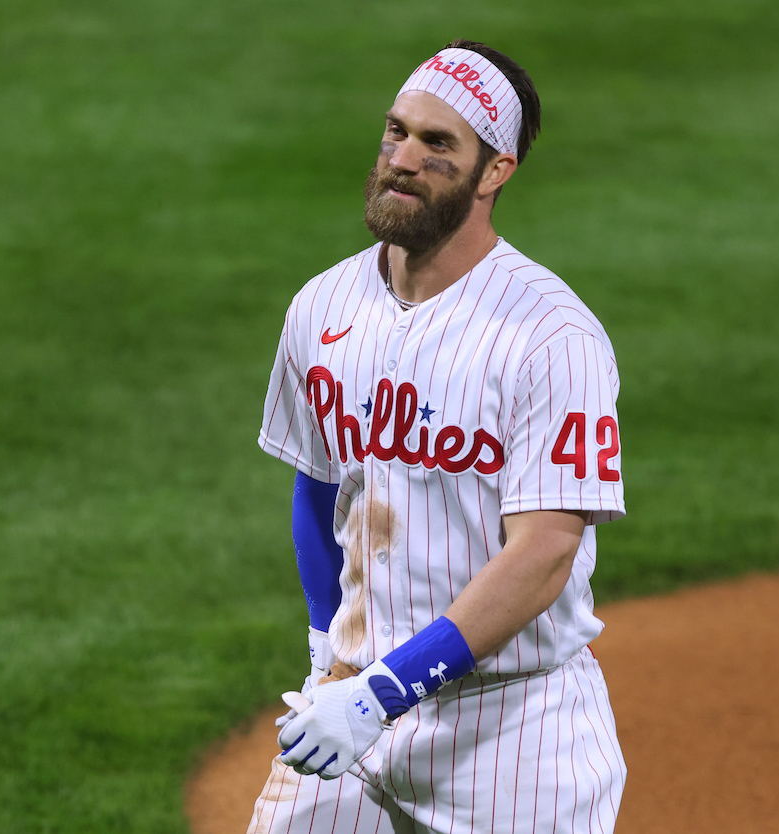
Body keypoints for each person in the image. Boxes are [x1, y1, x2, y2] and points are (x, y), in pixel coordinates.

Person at [251, 40, 627, 833]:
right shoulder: (321, 308)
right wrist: (328, 646)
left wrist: (387, 689)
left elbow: (545, 550)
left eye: (437, 144)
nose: (403, 159)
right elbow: (321, 483)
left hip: (511, 738)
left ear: (496, 171)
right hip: (350, 708)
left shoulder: (552, 337)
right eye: (396, 133)